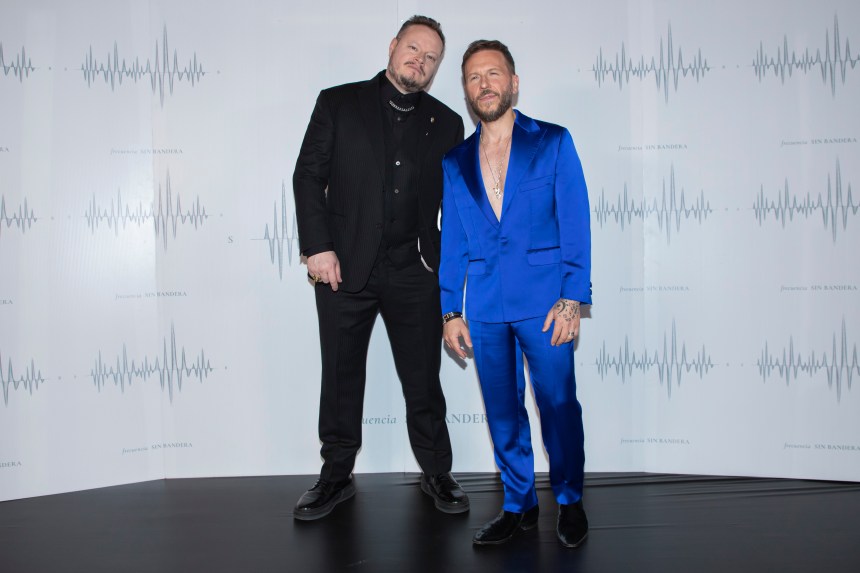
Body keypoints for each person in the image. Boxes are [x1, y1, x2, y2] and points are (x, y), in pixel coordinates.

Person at [292, 15, 469, 520]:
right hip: (343, 267)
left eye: (431, 57)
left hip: (415, 269)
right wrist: (318, 247)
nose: (420, 60)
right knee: (340, 374)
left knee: (423, 377)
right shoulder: (338, 103)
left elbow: (455, 206)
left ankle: (436, 470)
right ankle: (335, 475)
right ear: (393, 47)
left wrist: (450, 273)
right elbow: (308, 176)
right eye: (413, 48)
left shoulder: (448, 124)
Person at [439, 40, 591, 547]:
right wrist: (450, 309)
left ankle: (569, 498)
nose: (484, 84)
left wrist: (572, 297)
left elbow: (575, 222)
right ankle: (518, 503)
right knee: (502, 413)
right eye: (473, 77)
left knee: (558, 406)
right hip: (485, 308)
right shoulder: (455, 161)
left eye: (493, 73)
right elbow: (453, 240)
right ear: (466, 91)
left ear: (514, 82)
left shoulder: (552, 141)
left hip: (547, 305)